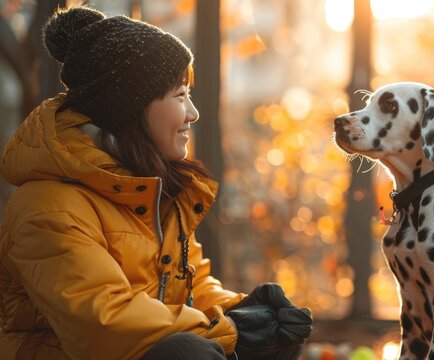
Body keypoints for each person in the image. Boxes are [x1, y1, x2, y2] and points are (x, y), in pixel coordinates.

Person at [0, 5, 312, 360]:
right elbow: (105, 324)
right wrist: (231, 329)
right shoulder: (48, 206)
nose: (192, 113)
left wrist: (248, 310)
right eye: (180, 95)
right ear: (131, 108)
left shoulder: (150, 190)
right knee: (185, 354)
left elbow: (187, 290)